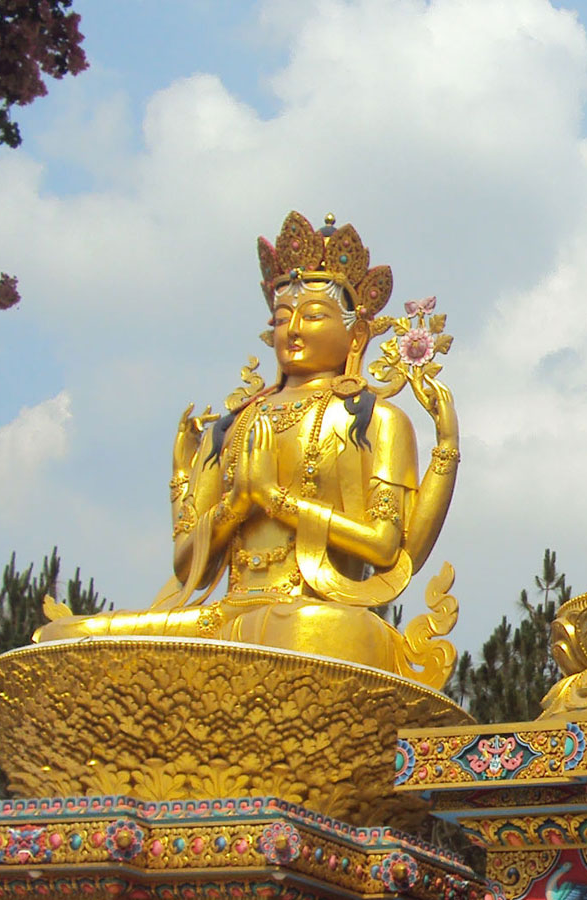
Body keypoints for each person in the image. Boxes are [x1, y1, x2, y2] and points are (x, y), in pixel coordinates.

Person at [37, 212, 461, 683]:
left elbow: (384, 546)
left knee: (321, 630)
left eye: (313, 316)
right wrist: (233, 503)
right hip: (222, 616)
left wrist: (275, 500)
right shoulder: (233, 425)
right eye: (281, 318)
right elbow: (186, 564)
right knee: (65, 637)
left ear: (356, 334)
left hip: (310, 612)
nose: (293, 329)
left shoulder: (376, 420)